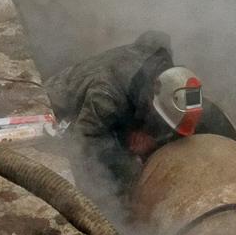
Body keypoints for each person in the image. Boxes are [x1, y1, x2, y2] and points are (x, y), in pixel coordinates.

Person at [45, 31, 205, 191]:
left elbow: (154, 36)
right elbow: (86, 143)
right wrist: (127, 159)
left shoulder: (163, 68)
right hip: (60, 109)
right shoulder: (106, 95)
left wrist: (149, 134)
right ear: (152, 101)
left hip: (109, 106)